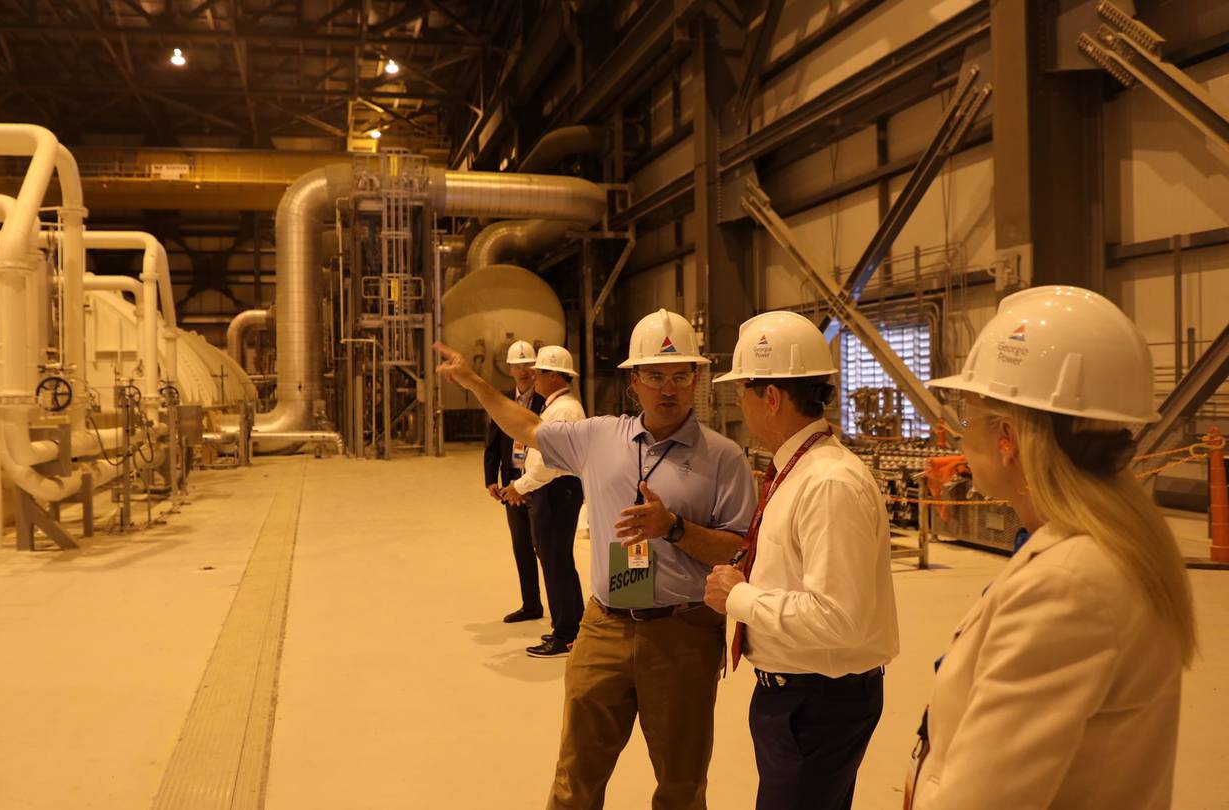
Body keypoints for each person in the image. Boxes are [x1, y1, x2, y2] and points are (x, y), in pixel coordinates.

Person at [436, 308, 756, 810]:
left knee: (681, 781)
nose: (667, 388)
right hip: (604, 624)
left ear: (695, 378)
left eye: (679, 376)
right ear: (634, 382)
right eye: (654, 376)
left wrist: (672, 528)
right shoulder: (600, 437)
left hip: (682, 634)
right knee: (576, 774)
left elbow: (738, 547)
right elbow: (527, 426)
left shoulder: (724, 458)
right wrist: (475, 382)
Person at [905, 285, 1197, 808]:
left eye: (970, 419)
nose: (960, 440)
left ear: (1007, 438)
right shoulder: (1103, 545)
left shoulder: (1069, 585)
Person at [704, 310, 900, 810]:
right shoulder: (799, 469)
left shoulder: (828, 483)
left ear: (769, 397)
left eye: (741, 392)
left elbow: (839, 619)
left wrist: (740, 597)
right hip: (800, 697)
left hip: (817, 703)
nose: (739, 405)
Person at [502, 345, 587, 658]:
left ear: (554, 375)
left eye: (539, 371)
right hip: (557, 490)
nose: (533, 376)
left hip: (556, 491)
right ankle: (572, 627)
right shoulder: (559, 406)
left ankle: (565, 634)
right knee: (559, 561)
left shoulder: (563, 410)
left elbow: (547, 461)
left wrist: (520, 486)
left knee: (554, 562)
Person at [484, 339, 546, 624]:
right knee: (521, 546)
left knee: (546, 547)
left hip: (540, 482)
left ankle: (561, 608)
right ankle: (530, 605)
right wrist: (491, 480)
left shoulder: (547, 401)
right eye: (517, 366)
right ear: (509, 369)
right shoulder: (503, 401)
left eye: (528, 365)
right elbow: (493, 444)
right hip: (511, 482)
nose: (523, 371)